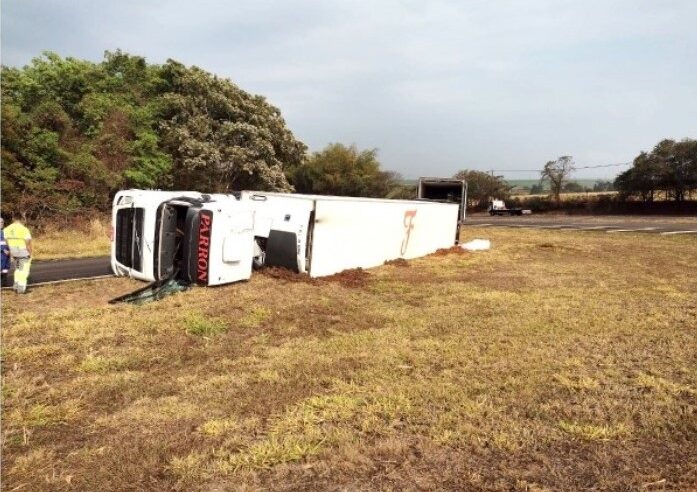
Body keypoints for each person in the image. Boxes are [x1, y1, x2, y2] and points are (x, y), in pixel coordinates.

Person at [4, 212, 33, 294]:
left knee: (17, 269)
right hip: (23, 252)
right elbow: (27, 243)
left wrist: (11, 252)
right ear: (21, 219)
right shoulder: (24, 229)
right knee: (24, 270)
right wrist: (30, 254)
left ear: (13, 219)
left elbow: (6, 242)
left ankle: (15, 286)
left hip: (13, 252)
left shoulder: (7, 229)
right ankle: (21, 289)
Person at [0, 218, 10, 287]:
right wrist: (3, 250)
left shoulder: (5, 232)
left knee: (6, 269)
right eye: (0, 222)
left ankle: (4, 283)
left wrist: (10, 251)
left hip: (6, 255)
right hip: (1, 253)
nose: (1, 224)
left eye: (2, 222)